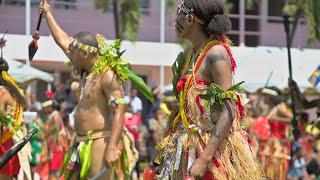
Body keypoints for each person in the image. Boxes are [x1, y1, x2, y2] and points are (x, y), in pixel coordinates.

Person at [155, 0, 264, 179]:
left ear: (191, 18)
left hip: (213, 154)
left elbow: (230, 109)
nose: (175, 19)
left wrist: (205, 158)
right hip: (188, 148)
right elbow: (183, 110)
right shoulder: (190, 54)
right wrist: (166, 148)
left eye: (179, 12)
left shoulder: (216, 53)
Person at [39, 0, 138, 178]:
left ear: (85, 54)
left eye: (73, 52)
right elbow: (63, 40)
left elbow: (119, 111)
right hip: (79, 142)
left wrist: (113, 147)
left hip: (100, 141)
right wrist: (48, 14)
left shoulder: (107, 75)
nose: (69, 54)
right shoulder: (85, 71)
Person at [0, 59, 31, 180]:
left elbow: (1, 117)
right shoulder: (14, 90)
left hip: (4, 141)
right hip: (12, 140)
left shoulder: (2, 92)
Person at [260, 87, 292, 180]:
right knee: (268, 172)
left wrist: (277, 119)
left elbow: (293, 119)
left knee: (276, 172)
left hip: (279, 145)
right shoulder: (270, 109)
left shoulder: (280, 107)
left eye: (265, 96)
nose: (263, 98)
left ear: (270, 97)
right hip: (271, 144)